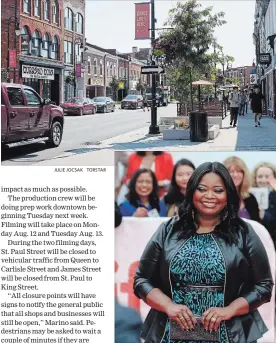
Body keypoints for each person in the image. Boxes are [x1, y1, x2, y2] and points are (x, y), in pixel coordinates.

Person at [134, 162, 273, 343]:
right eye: (202, 189)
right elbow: (141, 280)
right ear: (192, 192)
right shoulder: (168, 230)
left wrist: (230, 309)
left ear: (228, 195)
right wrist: (168, 305)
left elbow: (263, 285)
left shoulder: (243, 232)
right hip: (169, 334)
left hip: (230, 335)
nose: (209, 196)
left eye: (218, 190)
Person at [223, 156, 260, 221]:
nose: (235, 175)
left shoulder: (250, 198)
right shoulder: (219, 198)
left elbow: (258, 225)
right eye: (231, 171)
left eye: (239, 171)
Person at [252, 162, 276, 248]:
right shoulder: (249, 196)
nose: (263, 180)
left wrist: (263, 215)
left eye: (268, 177)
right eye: (260, 176)